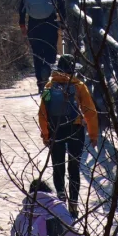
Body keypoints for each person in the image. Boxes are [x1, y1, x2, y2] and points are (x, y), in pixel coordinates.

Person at [38, 53, 99, 217]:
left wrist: (45, 134)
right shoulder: (79, 86)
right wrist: (93, 135)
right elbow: (90, 112)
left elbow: (42, 113)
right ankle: (73, 203)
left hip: (55, 130)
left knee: (58, 167)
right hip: (75, 129)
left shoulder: (49, 87)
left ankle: (60, 198)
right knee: (74, 167)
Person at [18, 0, 67, 91]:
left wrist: (22, 24)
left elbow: (22, 6)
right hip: (50, 22)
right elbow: (61, 3)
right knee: (50, 51)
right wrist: (63, 22)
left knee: (37, 53)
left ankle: (40, 82)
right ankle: (47, 69)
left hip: (33, 24)